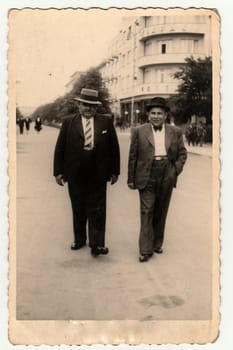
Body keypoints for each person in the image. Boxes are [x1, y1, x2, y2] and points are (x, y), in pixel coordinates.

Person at [53, 88, 120, 257]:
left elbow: (114, 148)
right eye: (84, 105)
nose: (87, 108)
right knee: (78, 207)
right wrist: (58, 172)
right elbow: (60, 148)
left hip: (98, 172)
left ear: (96, 107)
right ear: (79, 105)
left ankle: (97, 244)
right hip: (75, 172)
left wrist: (115, 171)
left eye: (91, 106)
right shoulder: (69, 122)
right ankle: (80, 239)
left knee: (97, 209)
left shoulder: (105, 122)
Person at [127, 97, 187, 262]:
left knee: (161, 210)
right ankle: (145, 250)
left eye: (159, 113)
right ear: (148, 115)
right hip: (146, 173)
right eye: (153, 113)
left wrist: (175, 171)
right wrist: (130, 178)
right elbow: (133, 156)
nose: (156, 116)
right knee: (147, 210)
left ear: (166, 115)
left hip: (167, 171)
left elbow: (182, 153)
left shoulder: (175, 132)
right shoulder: (139, 131)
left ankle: (157, 243)